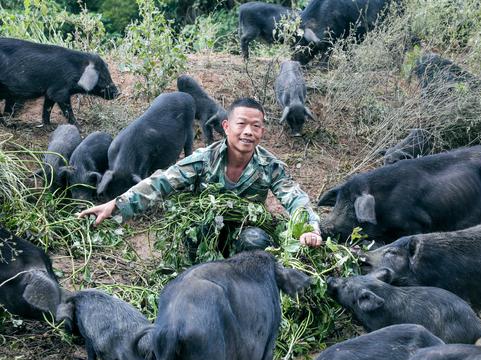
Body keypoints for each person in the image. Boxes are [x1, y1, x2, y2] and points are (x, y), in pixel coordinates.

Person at [78, 97, 323, 248]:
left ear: (262, 131)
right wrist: (116, 205)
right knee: (194, 235)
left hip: (244, 231)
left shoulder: (270, 166)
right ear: (226, 127)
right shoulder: (204, 158)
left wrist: (310, 228)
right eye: (242, 124)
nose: (248, 131)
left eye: (256, 126)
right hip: (204, 230)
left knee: (256, 241)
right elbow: (161, 182)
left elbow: (295, 198)